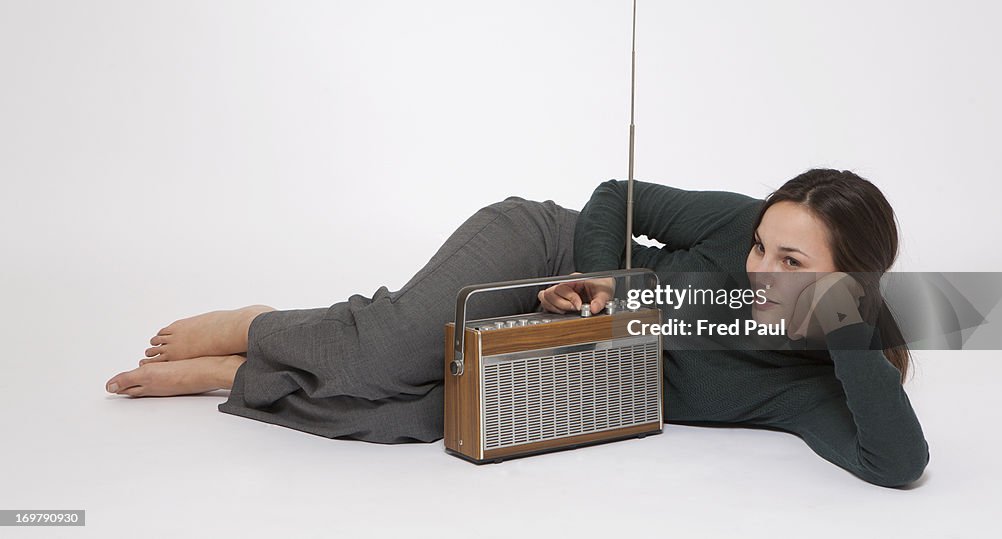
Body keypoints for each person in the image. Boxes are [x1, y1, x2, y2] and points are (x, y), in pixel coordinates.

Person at [104, 168, 929, 487]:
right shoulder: (734, 222)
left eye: (792, 263)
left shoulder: (808, 386)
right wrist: (607, 280)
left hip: (587, 361)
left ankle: (239, 374)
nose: (758, 268)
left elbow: (898, 462)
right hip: (546, 252)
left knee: (426, 416)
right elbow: (613, 196)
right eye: (760, 246)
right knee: (391, 347)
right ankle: (257, 323)